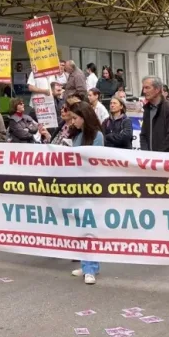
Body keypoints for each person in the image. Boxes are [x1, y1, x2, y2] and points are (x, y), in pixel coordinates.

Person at [67, 102, 104, 285]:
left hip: (91, 186)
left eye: (75, 118)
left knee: (89, 228)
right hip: (77, 185)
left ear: (85, 117)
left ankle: (90, 268)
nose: (73, 122)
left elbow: (95, 161)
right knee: (81, 228)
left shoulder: (97, 136)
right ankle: (87, 264)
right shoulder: (77, 135)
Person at [140, 76, 169, 152]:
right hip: (149, 157)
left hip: (165, 157)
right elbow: (143, 134)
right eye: (143, 88)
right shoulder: (147, 109)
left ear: (157, 89)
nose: (144, 91)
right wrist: (146, 153)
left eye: (147, 88)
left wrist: (158, 155)